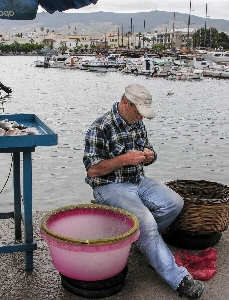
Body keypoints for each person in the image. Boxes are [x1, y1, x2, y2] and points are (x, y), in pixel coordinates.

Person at [83, 84, 204, 299]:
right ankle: (178, 278)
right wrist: (123, 160)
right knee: (146, 222)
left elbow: (150, 152)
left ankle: (143, 241)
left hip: (139, 180)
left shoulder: (136, 123)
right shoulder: (100, 127)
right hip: (109, 185)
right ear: (125, 103)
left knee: (175, 203)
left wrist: (150, 156)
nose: (141, 118)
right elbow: (93, 170)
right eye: (138, 113)